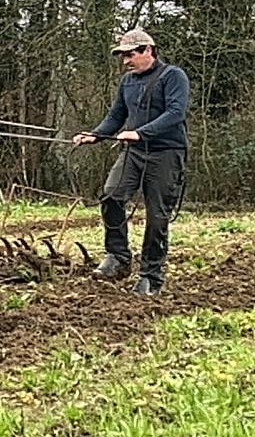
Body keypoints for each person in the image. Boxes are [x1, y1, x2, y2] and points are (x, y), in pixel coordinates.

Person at [71, 28, 189, 296]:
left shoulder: (173, 76)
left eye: (130, 55)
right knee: (111, 195)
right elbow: (116, 116)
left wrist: (140, 133)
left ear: (148, 50)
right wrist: (96, 135)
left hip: (166, 153)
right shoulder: (127, 82)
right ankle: (118, 257)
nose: (125, 61)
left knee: (157, 216)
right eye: (123, 56)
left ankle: (150, 276)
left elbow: (176, 113)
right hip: (134, 153)